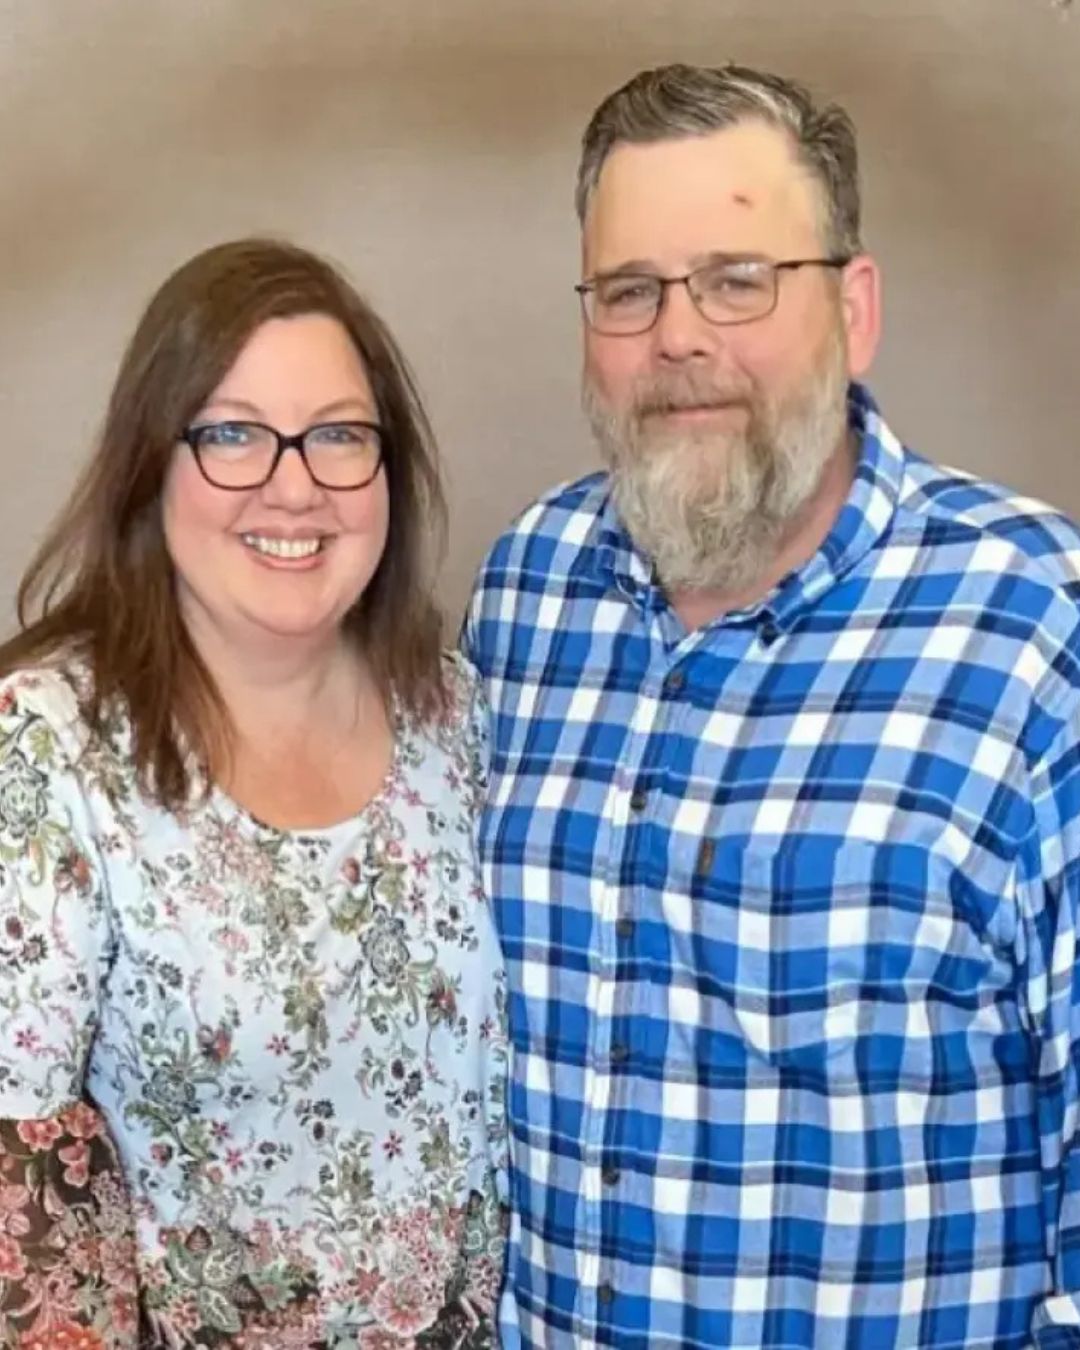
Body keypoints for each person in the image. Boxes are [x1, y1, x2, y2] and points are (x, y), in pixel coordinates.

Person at [464, 61, 1080, 1348]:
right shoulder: (530, 589)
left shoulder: (1037, 632)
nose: (678, 337)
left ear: (855, 310)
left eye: (738, 280)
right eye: (629, 291)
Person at [0, 238, 507, 1349]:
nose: (294, 484)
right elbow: (20, 1209)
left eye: (339, 435)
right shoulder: (48, 748)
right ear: (151, 464)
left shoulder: (458, 717)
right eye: (232, 434)